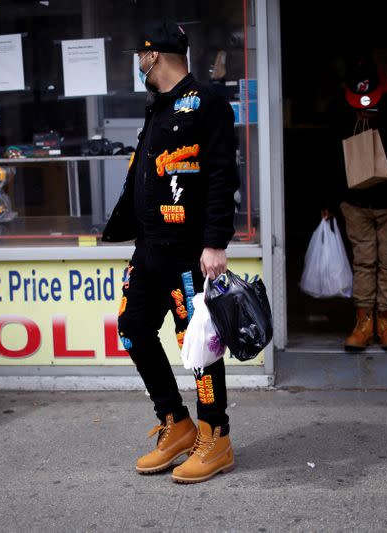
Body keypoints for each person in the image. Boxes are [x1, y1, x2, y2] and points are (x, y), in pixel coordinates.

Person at [102, 19, 239, 483]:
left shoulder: (209, 103)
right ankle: (176, 423)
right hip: (149, 249)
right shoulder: (157, 106)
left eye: (140, 56)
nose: (139, 63)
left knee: (197, 347)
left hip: (188, 253)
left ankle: (214, 437)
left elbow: (223, 176)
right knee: (132, 329)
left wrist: (215, 243)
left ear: (153, 55)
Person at [323, 56, 387, 352]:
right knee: (363, 262)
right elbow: (328, 158)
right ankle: (363, 323)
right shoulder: (338, 110)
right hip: (355, 201)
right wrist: (328, 201)